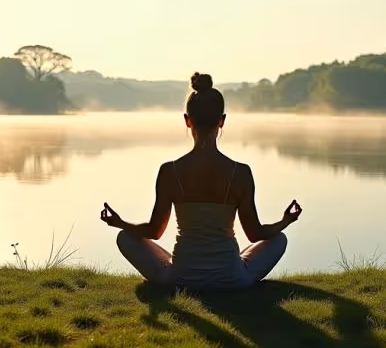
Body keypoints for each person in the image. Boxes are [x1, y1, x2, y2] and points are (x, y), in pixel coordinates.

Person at [100, 72, 303, 289]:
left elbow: (154, 232)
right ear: (222, 121)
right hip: (233, 279)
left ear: (187, 121)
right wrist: (285, 221)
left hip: (179, 278)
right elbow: (255, 234)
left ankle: (187, 267)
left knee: (125, 237)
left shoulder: (170, 171)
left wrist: (119, 223)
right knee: (279, 239)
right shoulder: (241, 173)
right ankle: (232, 264)